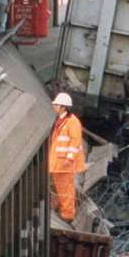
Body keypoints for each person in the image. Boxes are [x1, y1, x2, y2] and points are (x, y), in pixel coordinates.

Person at [49, 92, 87, 223]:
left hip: (65, 163)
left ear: (64, 107)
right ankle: (63, 210)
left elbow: (75, 141)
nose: (54, 106)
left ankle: (67, 215)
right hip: (59, 162)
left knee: (66, 188)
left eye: (56, 104)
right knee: (61, 187)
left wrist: (69, 158)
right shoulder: (62, 120)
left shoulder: (72, 122)